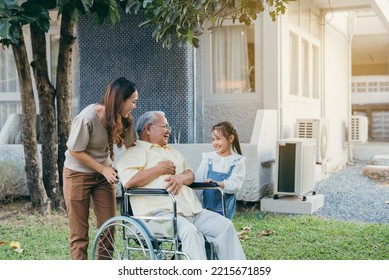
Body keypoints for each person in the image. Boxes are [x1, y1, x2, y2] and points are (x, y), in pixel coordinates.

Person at [117, 111, 246, 260]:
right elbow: (129, 181)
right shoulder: (135, 152)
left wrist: (181, 178)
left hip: (192, 211)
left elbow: (190, 173)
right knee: (190, 233)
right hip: (160, 215)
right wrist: (159, 169)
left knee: (225, 226)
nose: (168, 130)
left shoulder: (171, 151)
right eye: (164, 126)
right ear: (148, 129)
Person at [63, 77, 139, 260]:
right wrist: (103, 169)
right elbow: (74, 150)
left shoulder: (124, 119)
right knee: (79, 233)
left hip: (104, 177)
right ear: (121, 100)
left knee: (108, 228)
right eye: (133, 101)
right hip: (77, 175)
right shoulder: (88, 117)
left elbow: (132, 147)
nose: (135, 106)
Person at [195, 121, 246, 220]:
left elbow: (236, 185)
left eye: (218, 139)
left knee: (222, 228)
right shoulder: (208, 158)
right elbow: (199, 180)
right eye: (213, 139)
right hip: (206, 206)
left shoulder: (237, 162)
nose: (215, 143)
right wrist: (196, 203)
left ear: (230, 138)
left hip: (224, 207)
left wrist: (219, 184)